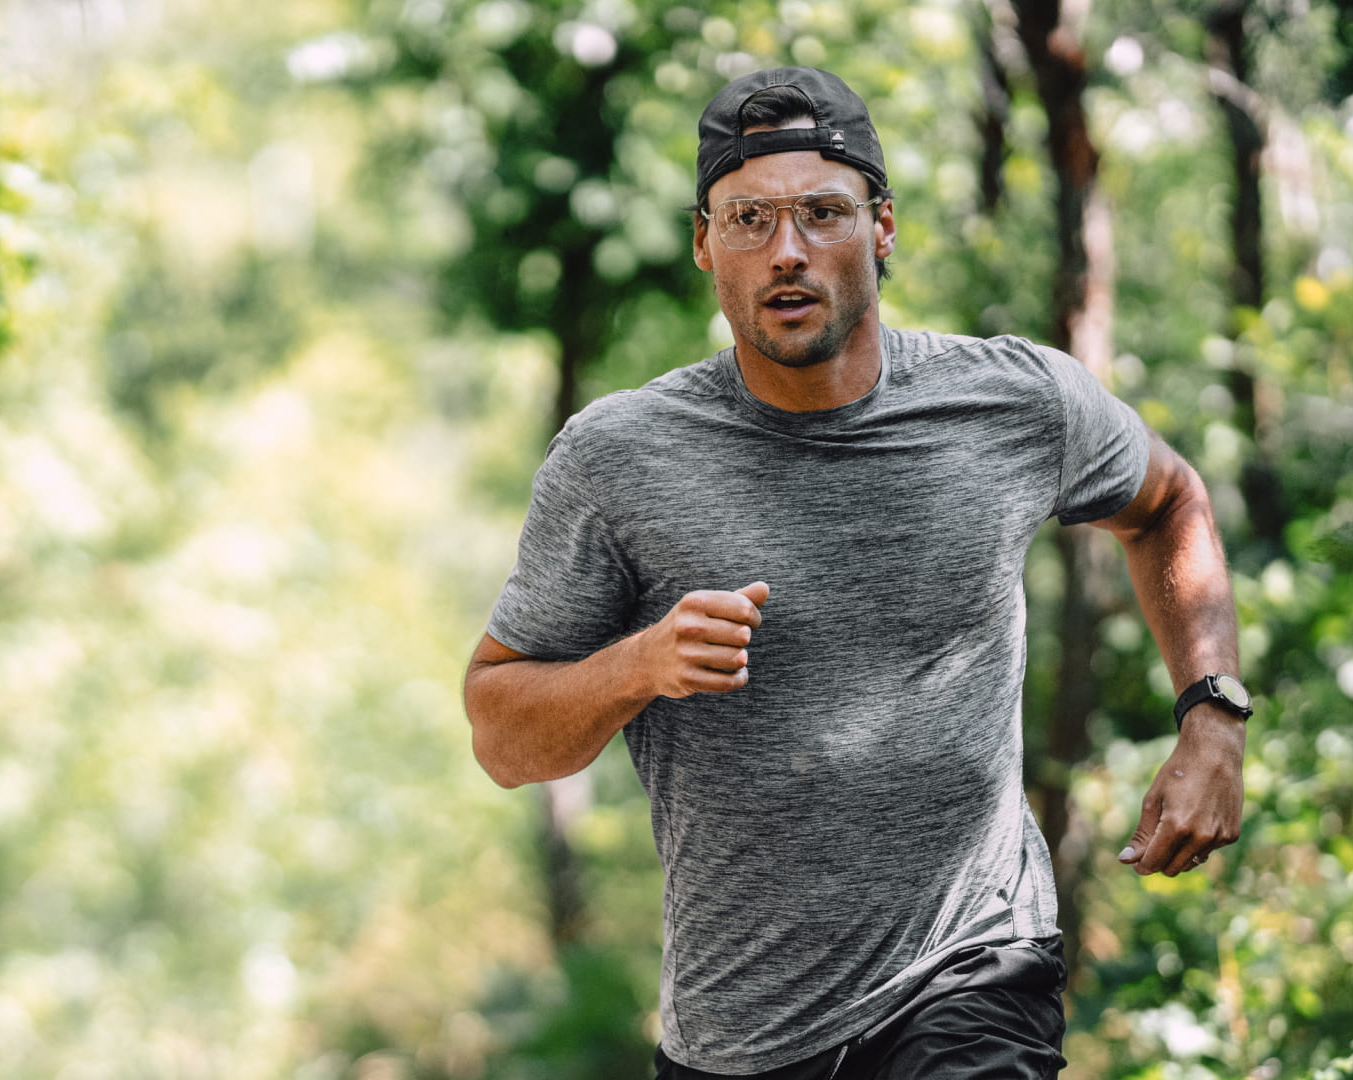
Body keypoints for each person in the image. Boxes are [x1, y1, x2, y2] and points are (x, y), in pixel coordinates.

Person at [464, 66, 1249, 1080]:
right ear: (705, 244)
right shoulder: (617, 459)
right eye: (746, 218)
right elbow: (499, 735)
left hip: (972, 970)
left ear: (880, 228)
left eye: (821, 214)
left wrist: (1212, 712)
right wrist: (636, 667)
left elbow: (1168, 502)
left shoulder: (1012, 405)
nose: (785, 251)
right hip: (741, 1031)